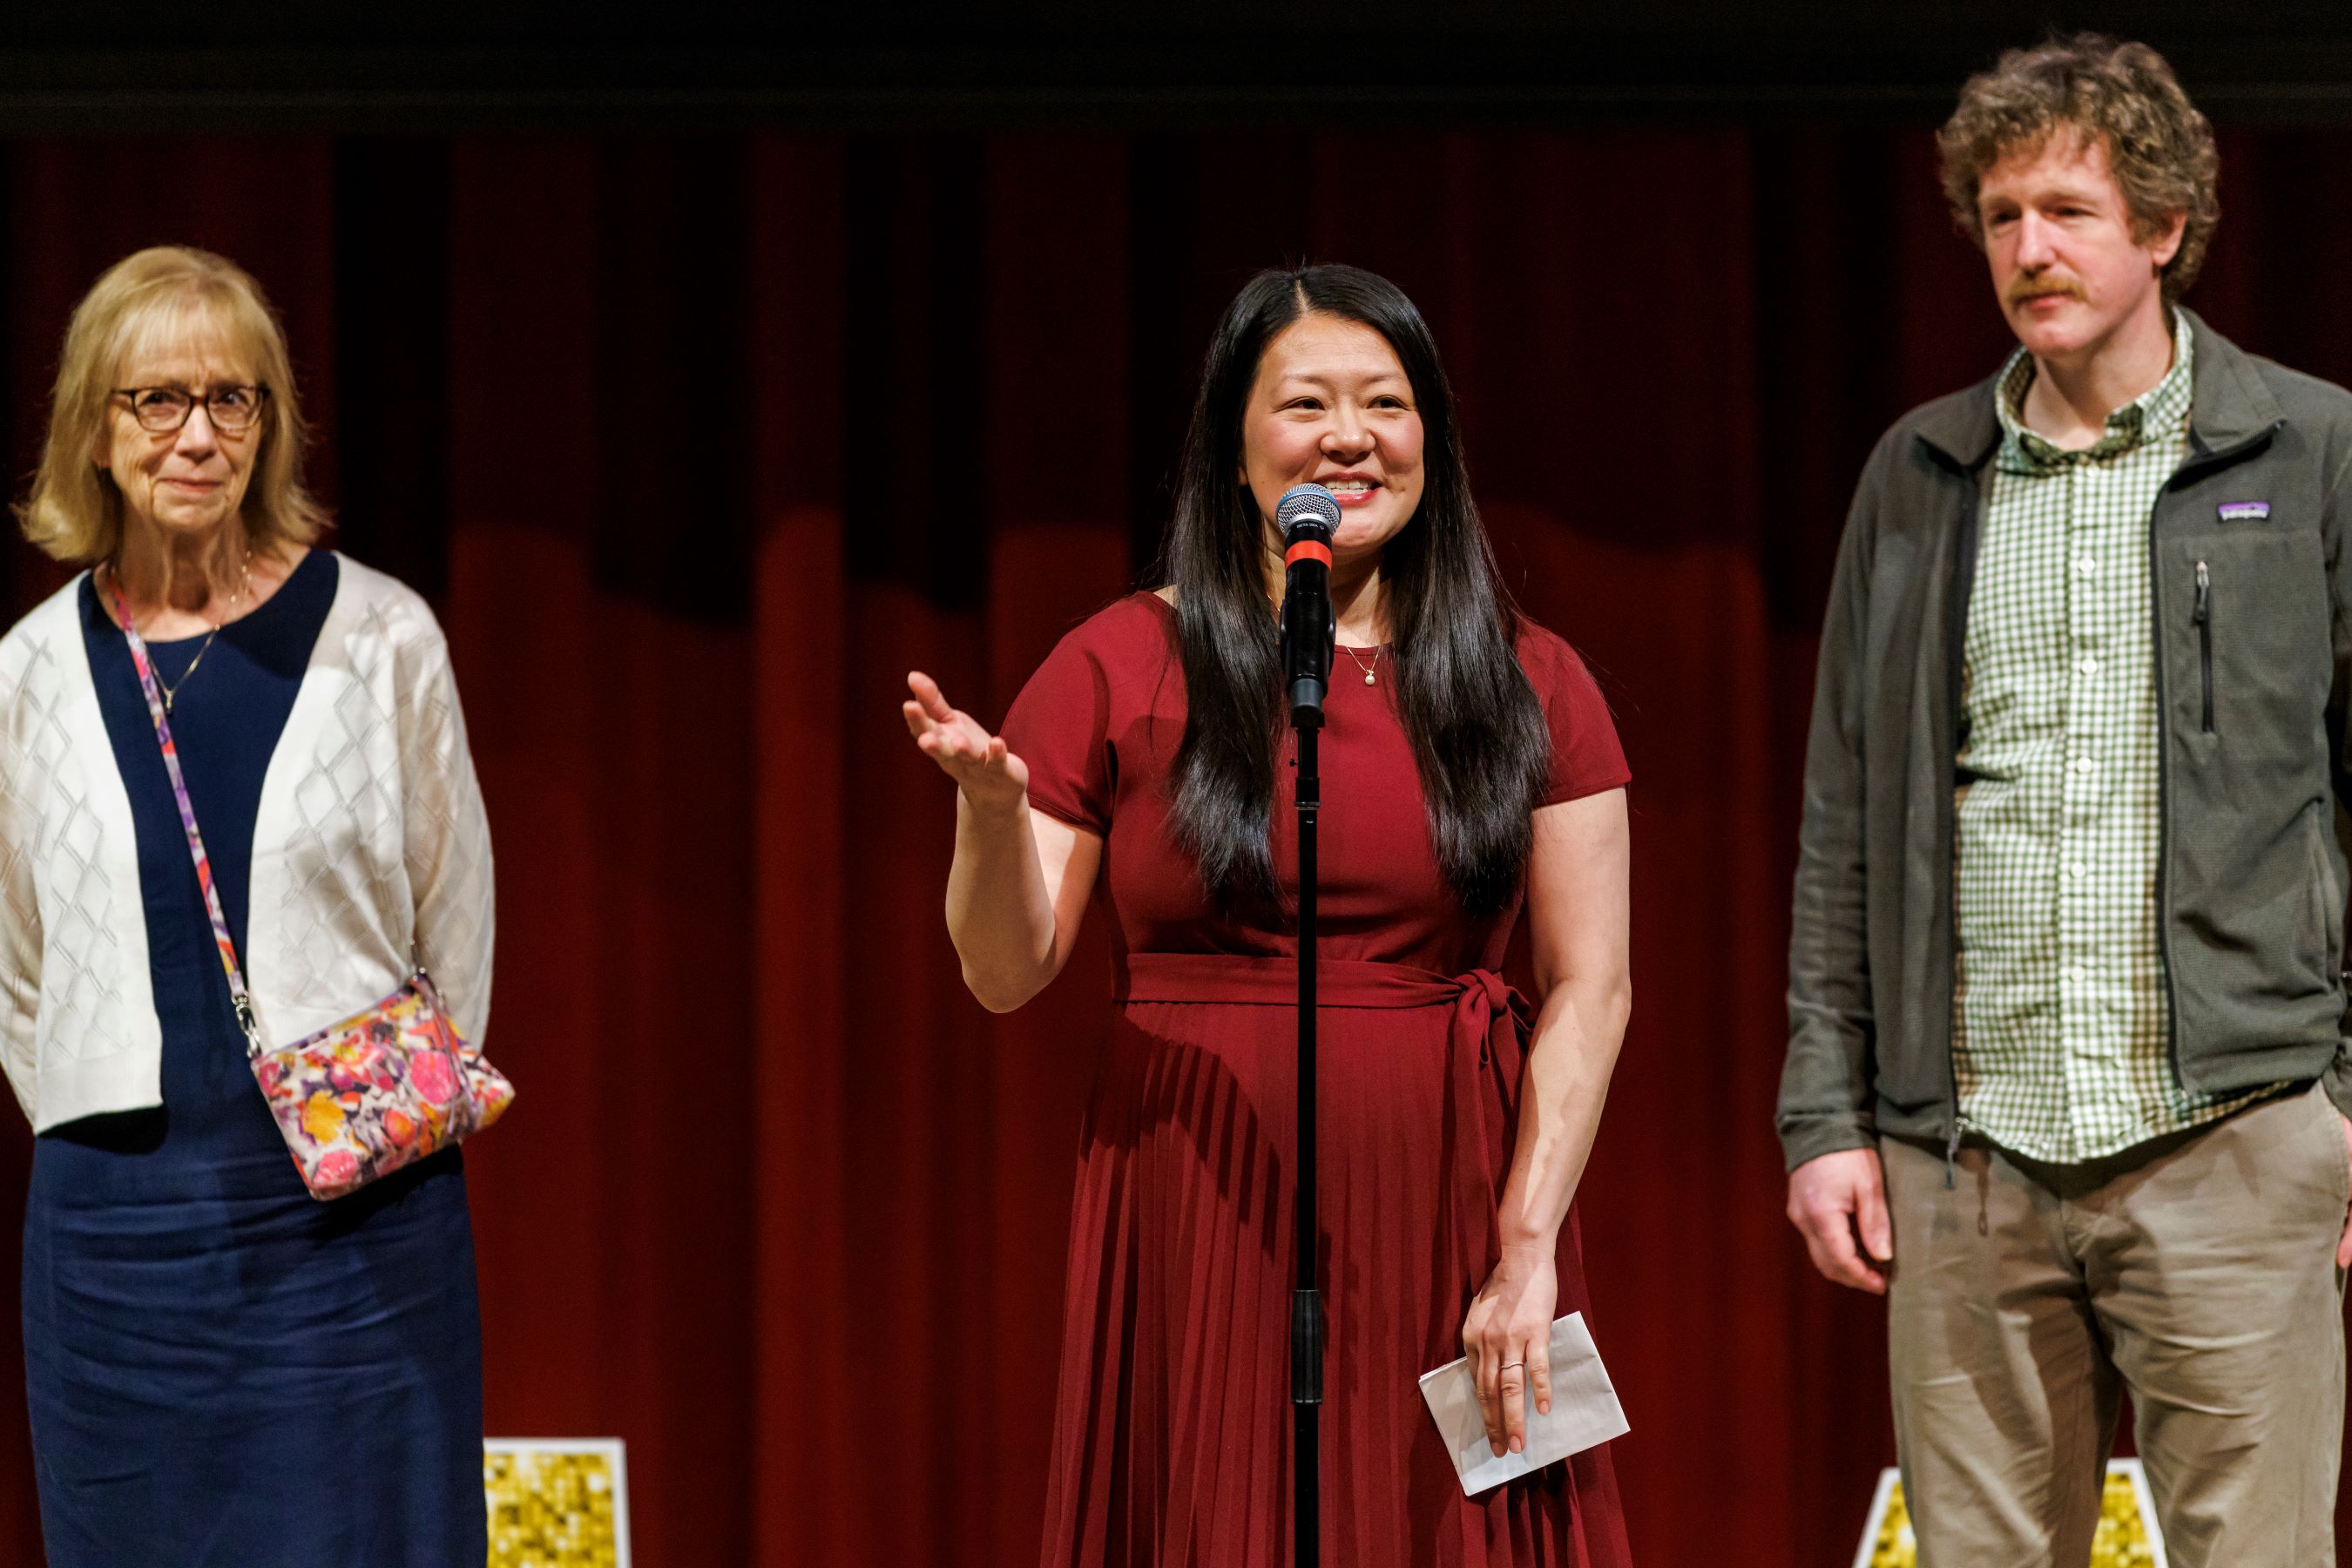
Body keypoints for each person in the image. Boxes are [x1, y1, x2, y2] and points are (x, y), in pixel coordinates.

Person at [904, 264, 1634, 1565]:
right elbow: (1004, 972)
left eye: (1387, 404)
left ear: (1433, 439)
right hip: (1195, 1206)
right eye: (1306, 404)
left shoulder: (1533, 679)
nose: (1351, 437)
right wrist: (989, 813)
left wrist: (1526, 1251)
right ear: (1234, 446)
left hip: (1454, 1210)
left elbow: (1594, 983)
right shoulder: (1117, 662)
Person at [1778, 35, 2352, 1567]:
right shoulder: (1922, 474)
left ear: (2162, 226)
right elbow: (1847, 819)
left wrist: (2345, 1110)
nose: (2029, 249)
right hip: (1971, 1150)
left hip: (2233, 1131)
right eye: (2001, 216)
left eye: (2070, 212)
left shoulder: (2310, 453)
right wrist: (1827, 1118)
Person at [0, 246, 496, 1565]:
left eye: (232, 398)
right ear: (95, 430)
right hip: (117, 1252)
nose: (197, 435)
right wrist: (100, 1117)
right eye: (157, 400)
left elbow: (458, 925)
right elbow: (18, 969)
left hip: (356, 1225)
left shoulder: (383, 636)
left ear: (269, 425)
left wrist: (375, 1127)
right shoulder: (28, 672)